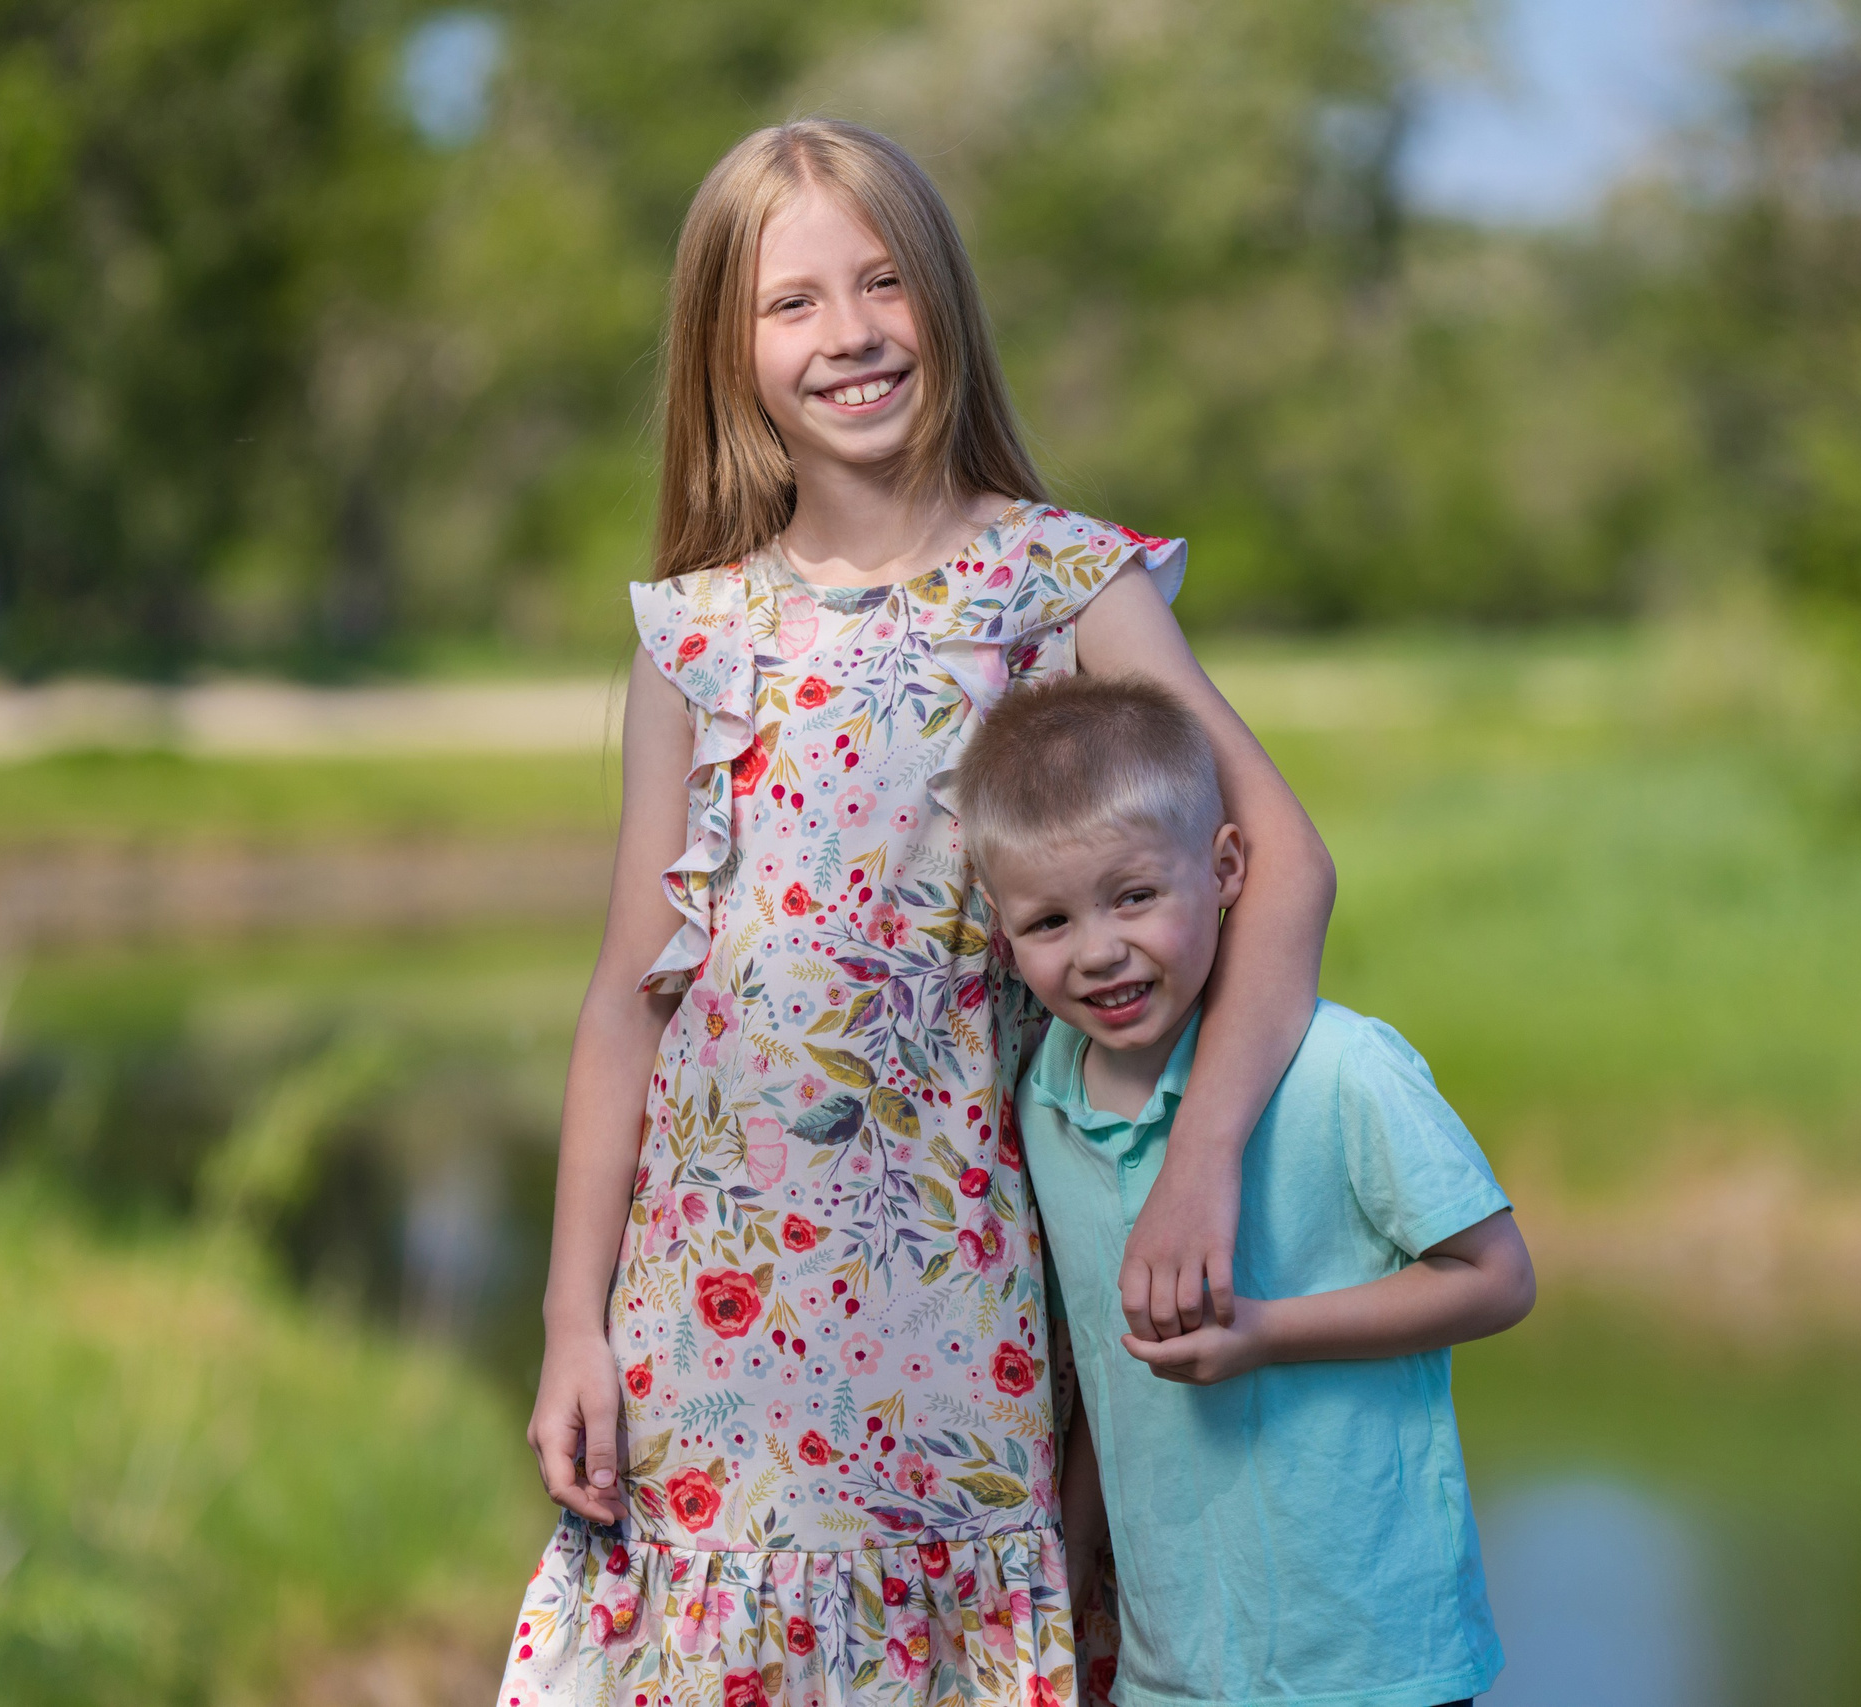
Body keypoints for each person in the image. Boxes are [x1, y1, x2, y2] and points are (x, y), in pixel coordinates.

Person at [496, 119, 1336, 1707]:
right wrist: (569, 1316)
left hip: (966, 1308)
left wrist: (1200, 1170)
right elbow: (631, 994)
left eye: (884, 284)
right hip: (711, 1329)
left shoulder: (1063, 585)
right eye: (794, 303)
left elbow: (1284, 862)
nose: (854, 333)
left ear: (941, 302)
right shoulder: (697, 635)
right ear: (726, 350)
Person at [955, 675, 1536, 1707]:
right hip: (1172, 1669)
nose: (1099, 950)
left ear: (1223, 868)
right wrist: (1069, 1556)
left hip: (1371, 1660)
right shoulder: (1043, 1105)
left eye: (1134, 896)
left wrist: (1266, 1332)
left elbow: (1495, 1280)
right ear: (1000, 929)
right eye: (1049, 921)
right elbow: (1107, 1359)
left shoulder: (1342, 1070)